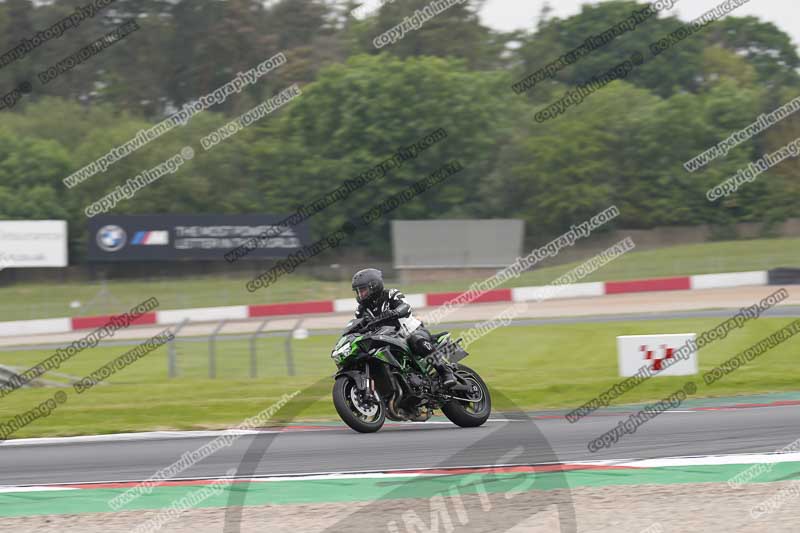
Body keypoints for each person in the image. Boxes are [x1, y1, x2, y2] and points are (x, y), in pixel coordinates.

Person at [351, 268, 457, 388]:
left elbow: (405, 306)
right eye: (358, 291)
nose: (361, 295)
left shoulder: (391, 294)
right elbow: (357, 324)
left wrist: (394, 312)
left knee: (416, 340)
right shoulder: (361, 310)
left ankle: (445, 371)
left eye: (363, 290)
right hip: (386, 339)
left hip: (411, 332)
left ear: (374, 286)